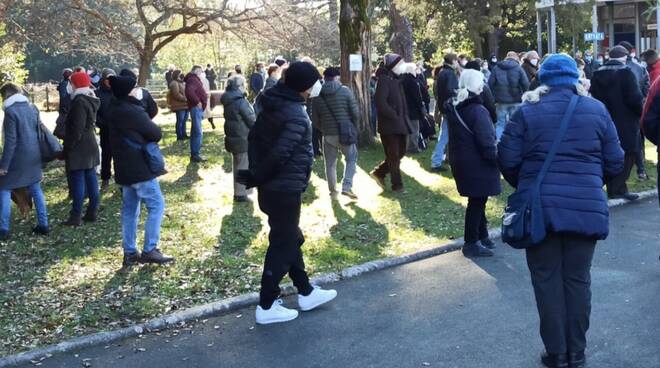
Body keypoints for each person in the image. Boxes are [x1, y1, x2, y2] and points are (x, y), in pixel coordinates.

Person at [498, 54, 624, 368]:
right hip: (585, 209)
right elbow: (616, 160)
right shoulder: (597, 110)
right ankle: (577, 352)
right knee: (578, 280)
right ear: (574, 79)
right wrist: (592, 184)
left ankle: (556, 353)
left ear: (543, 80)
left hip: (540, 211)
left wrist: (527, 185)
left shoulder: (527, 113)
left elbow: (507, 159)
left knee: (546, 280)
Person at [237, 61, 337, 324]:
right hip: (283, 187)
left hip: (274, 186)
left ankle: (305, 291)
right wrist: (258, 175)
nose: (319, 85)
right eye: (316, 81)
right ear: (306, 86)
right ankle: (267, 305)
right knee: (284, 243)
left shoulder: (273, 102)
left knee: (289, 237)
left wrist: (258, 176)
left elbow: (255, 140)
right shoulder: (293, 112)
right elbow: (281, 153)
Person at [107, 74, 174, 267]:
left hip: (123, 167)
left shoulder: (114, 107)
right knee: (156, 205)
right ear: (129, 91)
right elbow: (155, 133)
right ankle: (150, 249)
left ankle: (129, 252)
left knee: (130, 210)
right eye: (136, 87)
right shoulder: (132, 110)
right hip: (139, 167)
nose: (139, 90)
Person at [444, 70, 500, 258]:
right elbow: (486, 140)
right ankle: (471, 242)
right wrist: (496, 159)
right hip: (476, 161)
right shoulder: (477, 110)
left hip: (462, 159)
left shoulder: (457, 106)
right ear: (478, 86)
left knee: (478, 199)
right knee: (477, 202)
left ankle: (482, 235)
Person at [590, 46, 644, 201]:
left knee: (608, 153)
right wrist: (640, 112)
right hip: (626, 120)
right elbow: (635, 99)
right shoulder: (626, 73)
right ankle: (618, 188)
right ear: (624, 56)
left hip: (604, 118)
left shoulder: (597, 73)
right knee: (629, 153)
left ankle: (613, 187)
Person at [0, 83, 49, 241]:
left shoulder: (10, 112)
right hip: (34, 156)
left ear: (6, 95)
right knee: (36, 188)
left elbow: (10, 142)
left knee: (4, 189)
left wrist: (4, 165)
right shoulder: (32, 107)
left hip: (16, 159)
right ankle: (44, 224)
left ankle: (4, 228)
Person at [311, 66, 360, 200]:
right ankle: (347, 186)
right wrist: (353, 127)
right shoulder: (345, 91)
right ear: (337, 77)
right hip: (346, 132)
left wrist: (324, 129)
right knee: (351, 158)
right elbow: (355, 113)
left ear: (325, 78)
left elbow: (314, 119)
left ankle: (333, 193)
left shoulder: (317, 95)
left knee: (330, 164)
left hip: (328, 134)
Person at [63, 71, 101, 226]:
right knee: (91, 178)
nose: (69, 85)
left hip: (80, 145)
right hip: (90, 142)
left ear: (75, 84)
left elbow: (77, 128)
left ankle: (76, 216)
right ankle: (92, 211)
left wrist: (69, 145)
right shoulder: (90, 97)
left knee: (78, 180)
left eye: (71, 83)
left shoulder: (79, 101)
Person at [371, 53, 413, 193]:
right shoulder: (383, 80)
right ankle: (397, 185)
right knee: (394, 155)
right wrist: (393, 114)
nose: (402, 66)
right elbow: (380, 102)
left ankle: (379, 172)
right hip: (389, 125)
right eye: (399, 63)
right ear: (393, 65)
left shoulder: (396, 79)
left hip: (400, 123)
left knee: (400, 153)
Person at [221, 75, 256, 203]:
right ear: (238, 87)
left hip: (232, 137)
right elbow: (251, 119)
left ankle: (239, 192)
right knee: (243, 166)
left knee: (237, 164)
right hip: (242, 138)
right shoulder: (241, 101)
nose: (244, 87)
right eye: (243, 85)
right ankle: (241, 194)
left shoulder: (228, 100)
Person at [619, 42, 651, 180]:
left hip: (619, 110)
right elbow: (646, 88)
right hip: (635, 108)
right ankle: (641, 169)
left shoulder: (613, 68)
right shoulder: (639, 68)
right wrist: (641, 102)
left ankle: (625, 168)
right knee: (636, 139)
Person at [489, 51, 530, 140]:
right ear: (516, 58)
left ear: (506, 57)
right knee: (514, 122)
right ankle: (512, 141)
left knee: (500, 123)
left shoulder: (496, 68)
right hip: (516, 100)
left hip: (500, 101)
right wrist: (525, 96)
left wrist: (493, 97)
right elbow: (526, 84)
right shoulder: (518, 68)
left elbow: (490, 84)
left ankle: (499, 142)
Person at [430, 53, 459, 172]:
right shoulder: (450, 74)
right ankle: (437, 161)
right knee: (446, 137)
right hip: (450, 109)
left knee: (444, 136)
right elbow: (451, 91)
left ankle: (439, 160)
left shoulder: (442, 72)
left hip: (444, 108)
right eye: (456, 61)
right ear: (453, 61)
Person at [95, 68, 117, 192]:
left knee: (119, 155)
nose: (109, 81)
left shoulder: (118, 92)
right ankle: (105, 179)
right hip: (105, 130)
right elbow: (95, 113)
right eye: (107, 79)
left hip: (118, 130)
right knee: (106, 155)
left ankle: (121, 180)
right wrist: (102, 124)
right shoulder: (98, 93)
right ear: (103, 79)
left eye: (111, 79)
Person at [184, 65, 209, 163]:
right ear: (197, 71)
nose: (203, 73)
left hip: (196, 108)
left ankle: (195, 154)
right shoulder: (193, 79)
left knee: (195, 131)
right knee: (198, 132)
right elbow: (189, 92)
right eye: (201, 71)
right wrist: (197, 102)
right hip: (196, 108)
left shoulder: (193, 79)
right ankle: (195, 154)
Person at [401, 62, 425, 153]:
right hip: (413, 109)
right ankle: (413, 147)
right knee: (414, 129)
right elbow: (417, 96)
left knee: (407, 129)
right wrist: (421, 107)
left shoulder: (402, 80)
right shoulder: (412, 81)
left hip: (404, 107)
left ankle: (407, 146)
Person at [167, 70, 189, 141]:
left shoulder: (182, 83)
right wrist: (185, 99)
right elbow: (176, 94)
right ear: (176, 75)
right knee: (180, 120)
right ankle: (179, 136)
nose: (182, 75)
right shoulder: (174, 83)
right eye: (180, 74)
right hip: (179, 105)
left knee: (184, 120)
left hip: (185, 105)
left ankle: (184, 134)